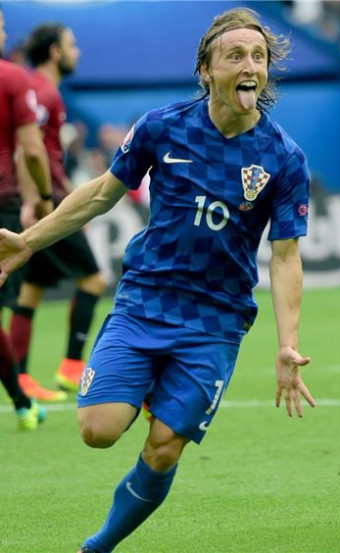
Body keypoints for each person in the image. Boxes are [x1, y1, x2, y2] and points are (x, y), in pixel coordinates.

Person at [0, 8, 315, 551]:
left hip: (216, 319)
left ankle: (98, 545)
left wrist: (288, 344)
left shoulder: (284, 158)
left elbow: (286, 257)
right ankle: (147, 386)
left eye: (259, 57)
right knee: (97, 431)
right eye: (235, 56)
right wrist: (29, 241)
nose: (250, 66)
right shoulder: (161, 127)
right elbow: (100, 195)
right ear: (206, 70)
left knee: (165, 446)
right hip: (145, 299)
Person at [10, 23, 106, 403]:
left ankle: (21, 377)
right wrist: (42, 200)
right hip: (45, 204)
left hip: (41, 198)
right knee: (94, 280)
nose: (76, 52)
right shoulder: (43, 92)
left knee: (31, 290)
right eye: (71, 45)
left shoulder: (39, 89)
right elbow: (28, 149)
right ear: (54, 52)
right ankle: (71, 366)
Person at [0, 5, 51, 429]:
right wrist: (45, 197)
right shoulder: (13, 78)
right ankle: (22, 401)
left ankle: (22, 399)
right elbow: (33, 150)